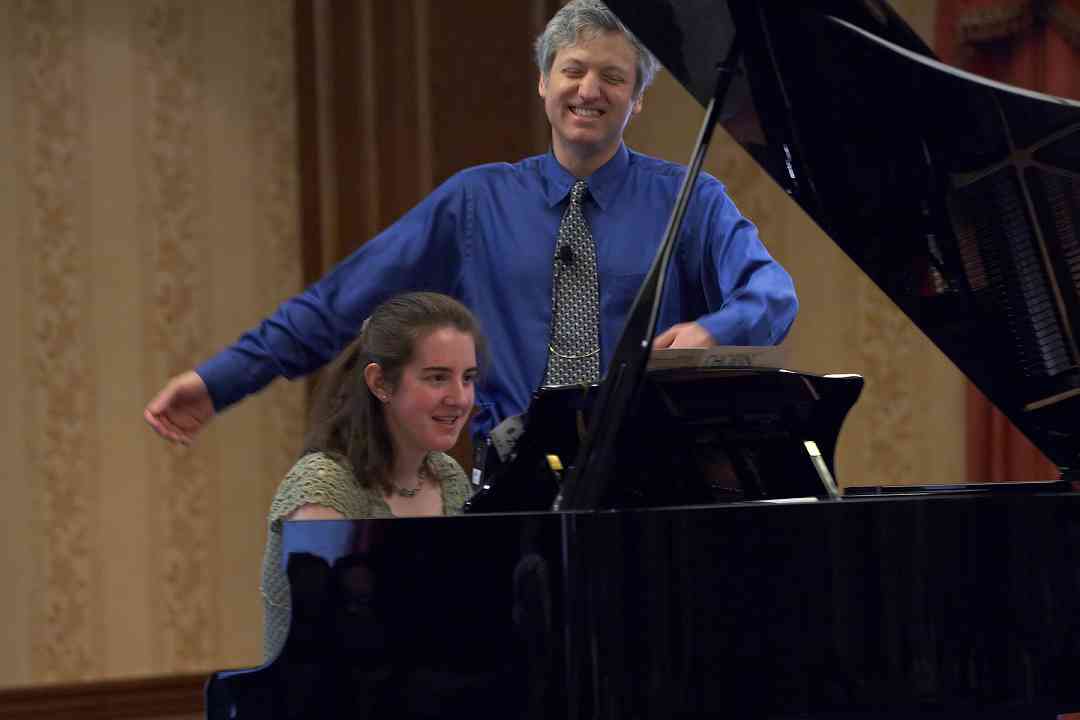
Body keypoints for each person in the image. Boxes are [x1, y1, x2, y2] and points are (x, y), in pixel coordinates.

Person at [144, 0, 798, 446]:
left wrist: (712, 331)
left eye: (612, 77)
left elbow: (773, 294)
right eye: (572, 70)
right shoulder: (474, 203)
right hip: (512, 484)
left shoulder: (691, 199)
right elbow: (338, 303)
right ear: (543, 83)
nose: (588, 91)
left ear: (638, 98)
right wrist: (219, 381)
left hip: (656, 480)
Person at [260, 291, 482, 659]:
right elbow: (334, 651)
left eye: (468, 378)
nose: (460, 398)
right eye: (437, 378)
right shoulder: (322, 487)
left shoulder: (448, 476)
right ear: (380, 383)